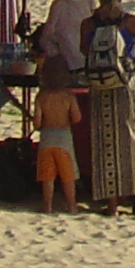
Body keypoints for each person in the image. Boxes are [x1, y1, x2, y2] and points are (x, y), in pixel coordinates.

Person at [80, 0, 135, 219]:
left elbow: (83, 50)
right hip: (125, 82)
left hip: (99, 86)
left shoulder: (88, 24)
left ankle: (113, 204)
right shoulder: (130, 21)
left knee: (106, 143)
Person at [32, 56, 83, 216]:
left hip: (47, 137)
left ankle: (47, 206)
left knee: (47, 176)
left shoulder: (41, 96)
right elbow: (77, 118)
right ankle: (71, 205)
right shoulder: (68, 96)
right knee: (68, 176)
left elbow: (37, 123)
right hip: (63, 137)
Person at [39, 0, 93, 71]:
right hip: (69, 64)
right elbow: (46, 37)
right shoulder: (59, 5)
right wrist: (57, 56)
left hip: (89, 61)